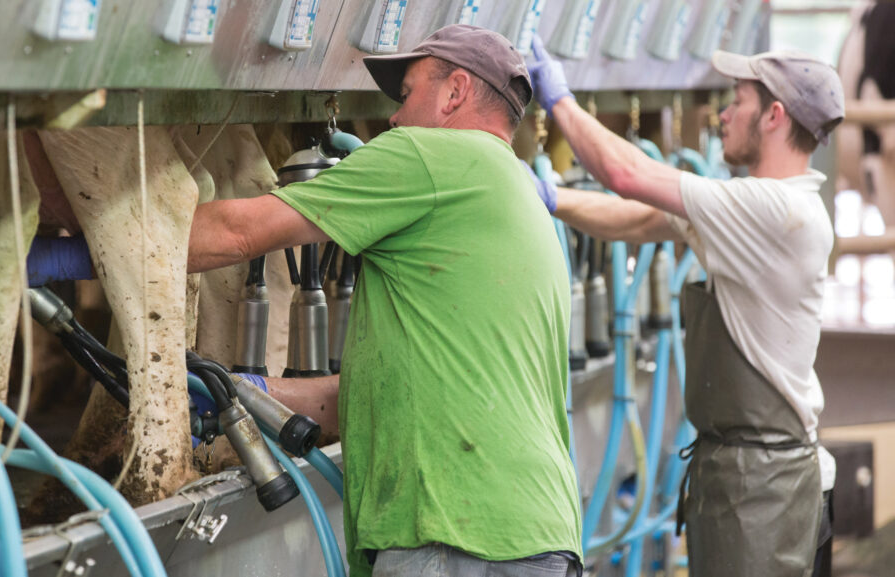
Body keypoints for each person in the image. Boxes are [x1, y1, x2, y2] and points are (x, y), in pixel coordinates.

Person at [188, 25, 583, 577]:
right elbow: (378, 392)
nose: (394, 119)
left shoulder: (428, 155)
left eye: (407, 94)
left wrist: (86, 251)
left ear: (456, 91)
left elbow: (238, 233)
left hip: (453, 537)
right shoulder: (512, 188)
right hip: (529, 531)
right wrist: (250, 393)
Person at [527, 39, 844, 577]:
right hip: (752, 474)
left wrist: (560, 101)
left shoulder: (776, 208)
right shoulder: (749, 206)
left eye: (737, 100)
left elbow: (628, 174)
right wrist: (549, 197)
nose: (722, 114)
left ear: (773, 116)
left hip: (765, 489)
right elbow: (635, 218)